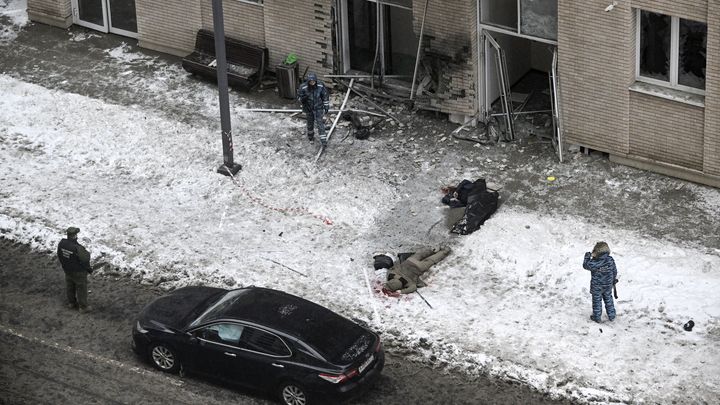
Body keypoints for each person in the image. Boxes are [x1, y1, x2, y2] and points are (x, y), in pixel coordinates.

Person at [382, 247, 451, 294]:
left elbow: (413, 288)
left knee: (431, 260)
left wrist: (401, 291)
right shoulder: (391, 274)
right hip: (410, 261)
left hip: (419, 267)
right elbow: (389, 270)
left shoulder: (407, 283)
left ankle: (445, 251)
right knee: (421, 254)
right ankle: (434, 249)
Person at [57, 227, 93, 312]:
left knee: (70, 286)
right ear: (75, 236)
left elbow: (59, 255)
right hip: (78, 272)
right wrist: (88, 269)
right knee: (81, 288)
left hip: (67, 270)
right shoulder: (77, 248)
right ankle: (83, 307)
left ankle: (71, 303)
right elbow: (85, 258)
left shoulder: (62, 243)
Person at [583, 241, 618, 323]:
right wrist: (613, 279)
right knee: (609, 300)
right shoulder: (610, 260)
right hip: (608, 285)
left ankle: (597, 317)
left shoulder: (594, 262)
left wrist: (587, 257)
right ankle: (612, 315)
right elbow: (614, 271)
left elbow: (585, 265)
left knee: (597, 302)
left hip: (597, 286)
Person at [297, 73, 330, 146]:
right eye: (310, 82)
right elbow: (298, 97)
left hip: (318, 107)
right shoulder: (303, 87)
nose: (312, 83)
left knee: (320, 123)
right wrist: (303, 98)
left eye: (313, 81)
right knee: (310, 123)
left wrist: (326, 106)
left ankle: (323, 141)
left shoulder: (320, 85)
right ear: (308, 81)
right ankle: (310, 137)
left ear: (316, 80)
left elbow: (325, 96)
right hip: (308, 108)